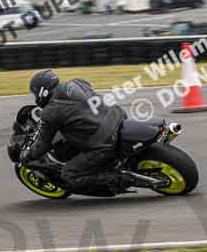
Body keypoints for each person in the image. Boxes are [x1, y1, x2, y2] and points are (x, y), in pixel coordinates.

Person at [19, 69, 162, 196]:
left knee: (69, 174)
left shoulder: (51, 112)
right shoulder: (76, 83)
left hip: (103, 142)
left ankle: (125, 179)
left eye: (35, 94)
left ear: (43, 92)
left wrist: (26, 156)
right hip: (116, 115)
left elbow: (43, 143)